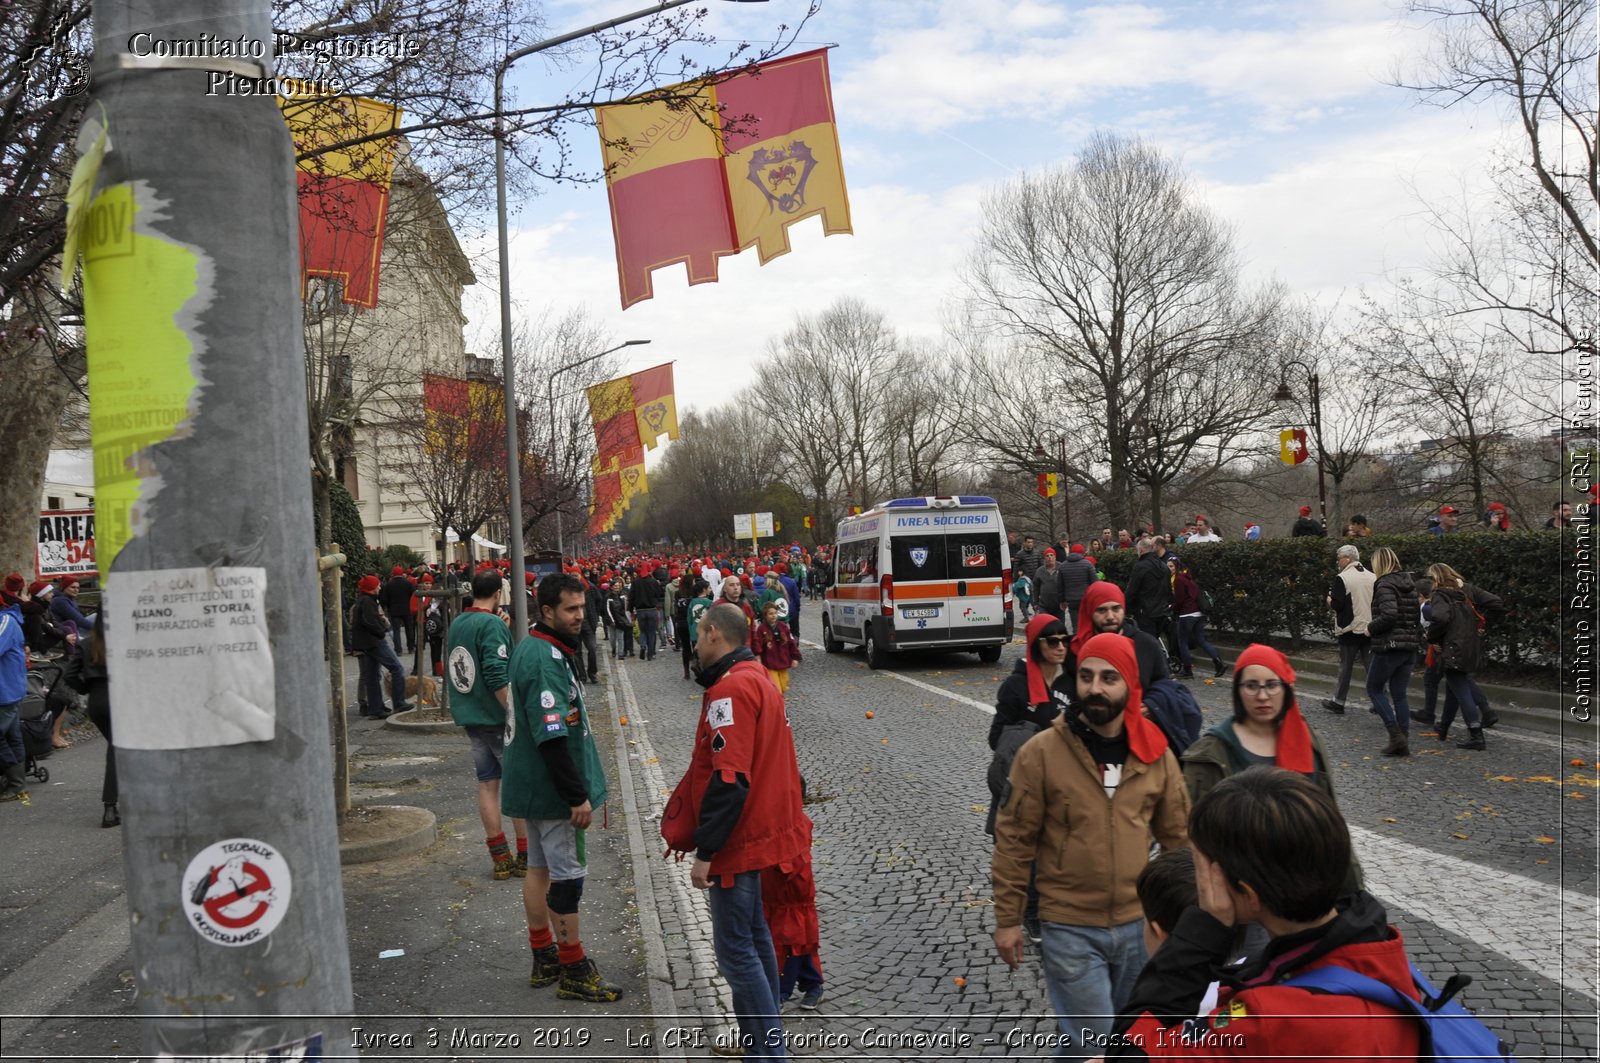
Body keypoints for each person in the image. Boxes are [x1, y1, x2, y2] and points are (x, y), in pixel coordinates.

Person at [1104, 769, 1423, 1061]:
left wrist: (1204, 927)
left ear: (1250, 896)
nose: (1204, 882)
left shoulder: (1273, 1021)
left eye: (1206, 868)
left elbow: (1132, 1051)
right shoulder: (1376, 951)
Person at [992, 631, 1189, 1061]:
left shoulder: (1156, 755)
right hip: (1069, 925)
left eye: (1108, 678)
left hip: (1141, 927)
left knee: (1129, 1042)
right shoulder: (1040, 754)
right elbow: (1014, 839)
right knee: (1091, 1043)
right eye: (1086, 676)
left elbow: (1180, 845)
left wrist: (1189, 927)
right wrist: (1008, 919)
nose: (1094, 688)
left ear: (1131, 685)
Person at [663, 602, 810, 1060]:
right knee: (755, 939)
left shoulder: (731, 690)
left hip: (739, 841)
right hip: (762, 831)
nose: (696, 639)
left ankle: (769, 1053)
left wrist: (707, 850)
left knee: (735, 953)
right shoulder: (758, 677)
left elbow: (730, 778)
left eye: (699, 631)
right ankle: (760, 1046)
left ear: (712, 634)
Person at [505, 573, 622, 1002]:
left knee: (538, 870)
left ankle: (545, 957)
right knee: (568, 877)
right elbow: (551, 737)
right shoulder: (543, 658)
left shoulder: (539, 647)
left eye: (582, 607)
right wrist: (577, 796)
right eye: (571, 609)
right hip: (552, 792)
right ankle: (573, 967)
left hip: (534, 786)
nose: (580, 616)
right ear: (547, 611)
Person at [986, 613, 1073, 943]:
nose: (1061, 646)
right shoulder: (1016, 686)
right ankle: (1033, 914)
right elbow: (997, 736)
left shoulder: (1069, 682)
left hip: (1062, 779)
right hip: (1025, 780)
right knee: (1028, 849)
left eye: (1065, 640)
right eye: (1053, 641)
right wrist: (1034, 736)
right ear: (1037, 646)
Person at [446, 570, 529, 880]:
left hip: (470, 713)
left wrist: (500, 630)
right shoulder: (491, 623)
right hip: (495, 715)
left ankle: (500, 858)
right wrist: (515, 714)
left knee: (487, 784)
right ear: (498, 593)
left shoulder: (459, 621)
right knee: (517, 783)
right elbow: (496, 673)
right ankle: (525, 855)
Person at [1423, 563, 1505, 751]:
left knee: (1461, 690)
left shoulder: (1440, 595)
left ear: (1436, 579)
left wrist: (1432, 638)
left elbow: (1441, 618)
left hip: (1452, 646)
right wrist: (1478, 621)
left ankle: (1475, 733)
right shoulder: (1466, 590)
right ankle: (1444, 726)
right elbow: (1496, 602)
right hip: (1470, 645)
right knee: (1454, 687)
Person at [1363, 547, 1420, 757]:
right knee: (1399, 693)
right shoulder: (1409, 584)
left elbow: (1389, 615)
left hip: (1390, 645)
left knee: (1374, 689)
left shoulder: (1385, 584)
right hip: (1409, 645)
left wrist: (1371, 628)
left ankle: (1395, 735)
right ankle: (1403, 739)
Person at [1071, 582, 1171, 691]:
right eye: (1102, 610)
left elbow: (1166, 685)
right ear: (1090, 612)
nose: (1110, 616)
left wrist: (1151, 703)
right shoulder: (1074, 650)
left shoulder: (1147, 644)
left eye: (1116, 609)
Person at [71, 611, 118, 827]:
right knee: (118, 752)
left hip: (96, 700)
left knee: (116, 749)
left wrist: (86, 688)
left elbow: (69, 675)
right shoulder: (123, 641)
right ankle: (110, 806)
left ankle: (113, 804)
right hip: (121, 698)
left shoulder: (86, 643)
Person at [1320, 544, 1375, 716]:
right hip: (1370, 627)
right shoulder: (1373, 576)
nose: (1338, 561)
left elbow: (1337, 604)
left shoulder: (1342, 578)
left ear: (1348, 558)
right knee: (1372, 667)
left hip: (1350, 628)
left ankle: (1339, 702)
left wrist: (1329, 601)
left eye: (1339, 558)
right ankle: (1379, 701)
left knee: (1345, 667)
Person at [351, 574, 411, 718]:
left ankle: (375, 708)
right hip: (373, 641)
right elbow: (369, 622)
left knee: (372, 675)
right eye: (377, 585)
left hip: (366, 642)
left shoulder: (363, 600)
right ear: (371, 588)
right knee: (396, 668)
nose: (380, 587)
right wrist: (382, 631)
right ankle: (399, 702)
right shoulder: (368, 602)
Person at [1169, 558, 1225, 679]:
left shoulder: (1178, 580)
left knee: (1182, 642)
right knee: (1201, 640)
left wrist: (1171, 608)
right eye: (1168, 566)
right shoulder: (1188, 578)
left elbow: (1179, 600)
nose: (1169, 569)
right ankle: (1218, 662)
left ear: (1177, 567)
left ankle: (1188, 671)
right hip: (1198, 613)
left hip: (1187, 614)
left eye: (1171, 566)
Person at [1123, 537, 1175, 662]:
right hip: (1161, 611)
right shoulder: (1163, 566)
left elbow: (1132, 591)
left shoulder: (1140, 566)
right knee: (1154, 640)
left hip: (1145, 612)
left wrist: (1125, 608)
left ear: (1141, 549)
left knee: (1147, 643)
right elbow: (1168, 590)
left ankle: (1157, 669)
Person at [0, 588, 29, 803]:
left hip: (6, 690)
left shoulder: (6, 621)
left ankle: (16, 783)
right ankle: (18, 782)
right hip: (8, 689)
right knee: (12, 736)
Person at [753, 600, 801, 695]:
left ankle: (780, 701)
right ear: (765, 615)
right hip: (770, 663)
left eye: (775, 613)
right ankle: (779, 706)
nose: (774, 616)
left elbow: (791, 642)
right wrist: (757, 655)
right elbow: (757, 643)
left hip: (783, 661)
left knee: (784, 686)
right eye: (770, 614)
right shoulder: (762, 629)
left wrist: (795, 657)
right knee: (776, 689)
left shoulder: (783, 627)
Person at [1060, 544, 1097, 633]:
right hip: (1086, 599)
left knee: (1076, 626)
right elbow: (1095, 583)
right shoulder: (1087, 564)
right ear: (1082, 552)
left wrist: (1062, 600)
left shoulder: (1063, 566)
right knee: (1088, 624)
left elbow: (1060, 585)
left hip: (1071, 600)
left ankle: (1077, 643)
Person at [629, 565, 664, 661]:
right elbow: (660, 594)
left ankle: (643, 646)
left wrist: (631, 610)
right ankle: (650, 654)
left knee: (643, 631)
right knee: (652, 632)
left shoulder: (635, 582)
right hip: (652, 609)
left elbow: (631, 598)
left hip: (640, 611)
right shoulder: (653, 582)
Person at [382, 566, 417, 655]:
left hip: (394, 611)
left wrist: (388, 607)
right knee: (409, 629)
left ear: (393, 574)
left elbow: (384, 600)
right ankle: (410, 647)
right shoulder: (408, 583)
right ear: (402, 573)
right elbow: (414, 595)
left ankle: (398, 650)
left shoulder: (389, 585)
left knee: (396, 631)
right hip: (407, 609)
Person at [1033, 548, 1067, 619]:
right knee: (1046, 627)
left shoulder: (1062, 568)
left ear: (1055, 557)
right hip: (1044, 606)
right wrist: (1035, 602)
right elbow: (1035, 588)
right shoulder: (1039, 571)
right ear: (1044, 558)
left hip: (1059, 606)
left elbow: (1067, 585)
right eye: (1047, 556)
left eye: (1051, 555)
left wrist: (1066, 600)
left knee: (1059, 628)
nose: (1049, 557)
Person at [605, 582, 632, 659]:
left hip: (621, 620)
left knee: (620, 638)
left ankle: (620, 654)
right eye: (615, 586)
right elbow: (607, 610)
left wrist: (627, 619)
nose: (617, 587)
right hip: (612, 621)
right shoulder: (608, 597)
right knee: (612, 639)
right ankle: (614, 649)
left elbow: (626, 608)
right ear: (612, 587)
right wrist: (611, 620)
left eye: (618, 586)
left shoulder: (623, 596)